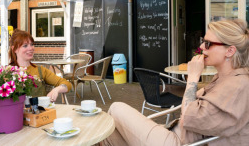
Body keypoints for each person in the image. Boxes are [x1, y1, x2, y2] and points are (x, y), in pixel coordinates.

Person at [103, 19, 249, 146]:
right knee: (110, 134)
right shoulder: (225, 77)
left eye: (208, 43)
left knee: (116, 108)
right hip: (175, 132)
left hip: (181, 142)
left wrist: (192, 77)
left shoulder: (239, 85)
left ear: (230, 51)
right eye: (203, 41)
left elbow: (188, 117)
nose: (202, 47)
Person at [8, 29, 72, 102]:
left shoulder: (40, 70)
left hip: (39, 111)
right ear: (14, 49)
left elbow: (67, 84)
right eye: (25, 46)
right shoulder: (7, 73)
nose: (31, 48)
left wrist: (56, 89)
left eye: (32, 44)